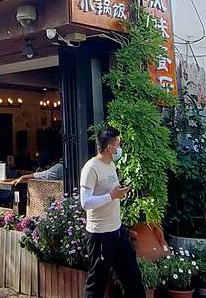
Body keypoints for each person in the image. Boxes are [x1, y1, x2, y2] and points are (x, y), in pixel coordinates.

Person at [80, 127, 145, 298]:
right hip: (100, 235)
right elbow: (85, 202)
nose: (120, 147)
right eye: (118, 144)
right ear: (110, 147)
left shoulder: (111, 165)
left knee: (133, 277)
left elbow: (110, 192)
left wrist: (118, 193)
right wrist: (111, 196)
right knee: (97, 283)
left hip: (118, 231)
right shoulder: (90, 168)